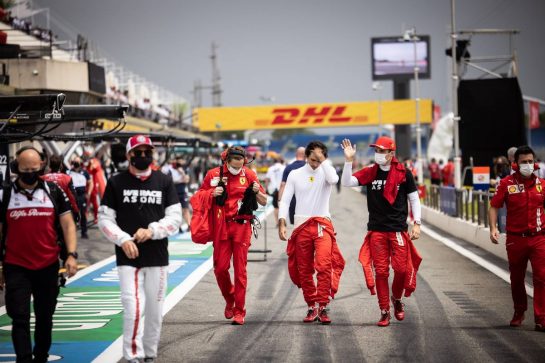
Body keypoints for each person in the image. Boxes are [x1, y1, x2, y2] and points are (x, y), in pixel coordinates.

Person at [98, 135, 182, 362]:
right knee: (133, 308)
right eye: (138, 152)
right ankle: (133, 356)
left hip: (157, 255)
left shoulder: (164, 181)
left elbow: (175, 218)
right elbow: (104, 219)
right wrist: (123, 239)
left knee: (155, 311)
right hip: (128, 256)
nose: (143, 156)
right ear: (129, 155)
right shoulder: (116, 182)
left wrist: (153, 230)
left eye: (147, 152)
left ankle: (150, 355)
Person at [0, 146, 77, 363]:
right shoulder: (6, 194)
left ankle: (41, 356)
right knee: (19, 318)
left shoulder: (52, 191)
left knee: (45, 317)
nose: (30, 174)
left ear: (41, 166)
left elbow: (68, 224)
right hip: (16, 266)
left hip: (48, 265)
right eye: (25, 170)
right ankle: (24, 360)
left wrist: (71, 254)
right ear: (16, 168)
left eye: (34, 169)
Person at [341, 137, 422, 327]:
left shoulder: (404, 173)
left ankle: (396, 299)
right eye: (376, 150)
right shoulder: (370, 172)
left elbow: (414, 199)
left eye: (382, 151)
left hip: (397, 230)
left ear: (391, 154)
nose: (378, 154)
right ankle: (384, 311)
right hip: (377, 230)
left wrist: (417, 223)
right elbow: (346, 182)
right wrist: (348, 161)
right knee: (382, 272)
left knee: (401, 270)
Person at [194, 146, 267, 325]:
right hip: (221, 226)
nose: (238, 167)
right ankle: (230, 299)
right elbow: (198, 197)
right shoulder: (213, 174)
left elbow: (264, 200)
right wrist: (211, 193)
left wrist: (257, 191)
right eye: (235, 164)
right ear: (226, 161)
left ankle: (240, 311)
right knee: (220, 269)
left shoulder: (249, 174)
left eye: (241, 163)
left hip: (242, 226)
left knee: (240, 270)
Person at [278, 141, 345, 324]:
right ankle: (311, 306)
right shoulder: (295, 174)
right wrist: (282, 222)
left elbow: (335, 180)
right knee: (305, 270)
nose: (316, 163)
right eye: (313, 159)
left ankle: (323, 306)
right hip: (301, 226)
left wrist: (323, 160)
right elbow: (285, 201)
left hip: (322, 224)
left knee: (324, 266)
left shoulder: (326, 171)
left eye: (320, 159)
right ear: (306, 156)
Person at [489, 145, 545, 332]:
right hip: (515, 239)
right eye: (524, 162)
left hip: (539, 238)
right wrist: (493, 228)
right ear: (515, 164)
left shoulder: (542, 185)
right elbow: (494, 206)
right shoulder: (506, 183)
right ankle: (519, 312)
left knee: (542, 278)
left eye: (530, 161)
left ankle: (541, 318)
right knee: (517, 279)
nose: (528, 165)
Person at [42, 154, 80, 219]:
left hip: (48, 211)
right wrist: (76, 211)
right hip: (64, 212)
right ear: (61, 165)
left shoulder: (43, 178)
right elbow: (73, 197)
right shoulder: (67, 178)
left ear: (49, 165)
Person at [161, 156, 191, 231]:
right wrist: (179, 180)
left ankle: (189, 225)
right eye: (177, 161)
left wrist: (181, 172)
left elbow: (186, 180)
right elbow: (169, 181)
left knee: (185, 209)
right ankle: (179, 226)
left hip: (183, 190)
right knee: (177, 209)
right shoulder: (168, 168)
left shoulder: (184, 168)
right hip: (174, 190)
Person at [279, 146, 306, 225]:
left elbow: (283, 184)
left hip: (293, 199)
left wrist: (279, 200)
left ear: (296, 154)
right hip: (306, 199)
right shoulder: (309, 167)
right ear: (306, 155)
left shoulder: (289, 167)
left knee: (295, 224)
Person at [68, 157, 92, 239]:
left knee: (83, 214)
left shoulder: (84, 172)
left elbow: (90, 182)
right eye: (75, 161)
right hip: (73, 196)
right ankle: (72, 233)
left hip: (82, 195)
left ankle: (84, 232)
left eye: (78, 161)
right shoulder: (69, 172)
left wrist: (88, 193)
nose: (76, 163)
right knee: (73, 214)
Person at [265, 157, 285, 225]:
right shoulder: (284, 167)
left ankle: (277, 222)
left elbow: (267, 179)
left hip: (274, 189)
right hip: (283, 188)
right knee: (283, 205)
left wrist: (266, 189)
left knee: (276, 207)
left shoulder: (271, 168)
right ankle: (283, 221)